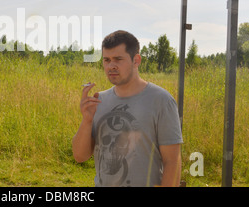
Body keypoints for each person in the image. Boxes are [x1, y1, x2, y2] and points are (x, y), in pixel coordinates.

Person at [72, 30, 183, 187]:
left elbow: (172, 161)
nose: (111, 66)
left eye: (118, 59)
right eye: (106, 60)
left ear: (136, 60)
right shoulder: (99, 100)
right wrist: (87, 120)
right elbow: (79, 156)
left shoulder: (161, 100)